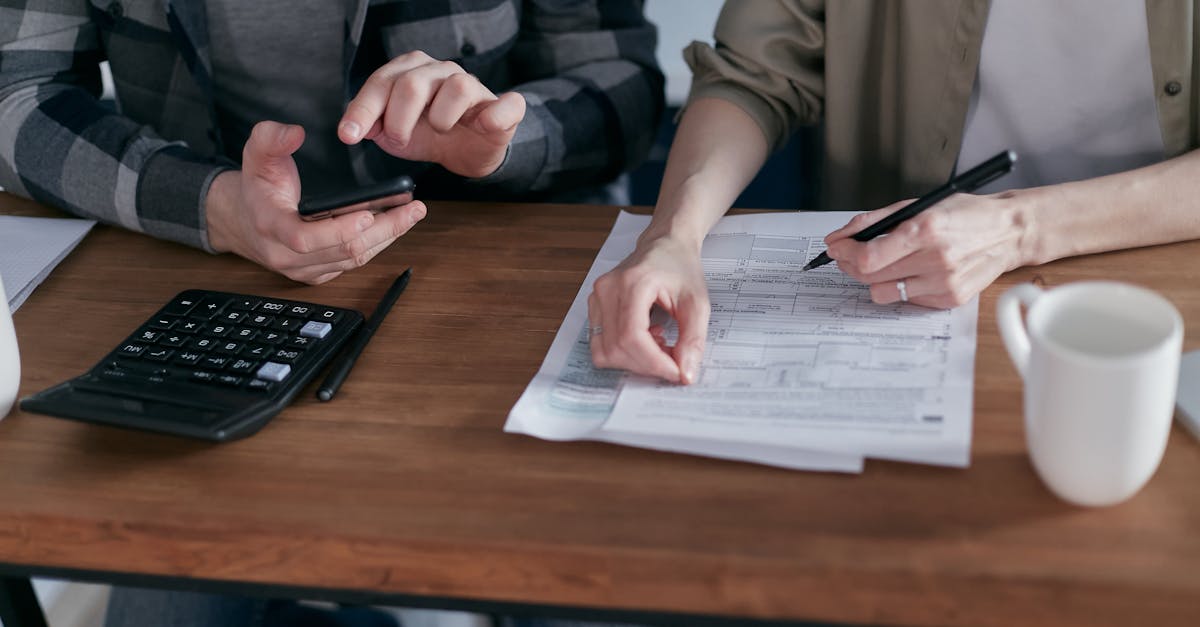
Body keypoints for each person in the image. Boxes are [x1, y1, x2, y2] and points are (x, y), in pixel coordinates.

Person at [587, 0, 1200, 384]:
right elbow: (754, 72)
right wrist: (673, 235)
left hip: (1160, 277)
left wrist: (1020, 229)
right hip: (905, 291)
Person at [0, 0, 664, 285]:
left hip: (496, 254)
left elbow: (625, 90)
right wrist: (214, 206)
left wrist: (507, 137)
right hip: (205, 263)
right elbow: (17, 96)